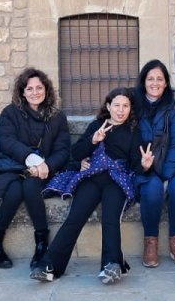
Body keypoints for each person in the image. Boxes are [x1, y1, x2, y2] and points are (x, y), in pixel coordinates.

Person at [32, 88, 148, 285]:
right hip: (92, 177)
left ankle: (111, 264)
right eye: (117, 105)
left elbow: (135, 164)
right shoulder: (96, 125)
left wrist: (144, 165)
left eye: (126, 106)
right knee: (75, 218)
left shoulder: (133, 132)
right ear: (109, 106)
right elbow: (76, 153)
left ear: (130, 109)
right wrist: (93, 141)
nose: (121, 110)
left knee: (111, 217)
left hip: (116, 180)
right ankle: (50, 265)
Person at [0, 67, 70, 271]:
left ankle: (41, 244)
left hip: (45, 172)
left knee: (30, 186)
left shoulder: (57, 117)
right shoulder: (10, 113)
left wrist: (46, 165)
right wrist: (31, 158)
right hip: (13, 169)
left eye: (39, 88)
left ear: (46, 90)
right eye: (29, 89)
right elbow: (6, 141)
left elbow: (63, 150)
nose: (35, 92)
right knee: (15, 189)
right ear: (22, 91)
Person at [132, 60, 175, 268]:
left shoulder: (173, 110)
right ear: (143, 82)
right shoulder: (134, 109)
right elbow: (130, 144)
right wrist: (145, 166)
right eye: (150, 78)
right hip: (143, 168)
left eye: (160, 79)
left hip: (173, 168)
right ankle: (150, 241)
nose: (155, 83)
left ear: (166, 83)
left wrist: (166, 174)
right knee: (152, 188)